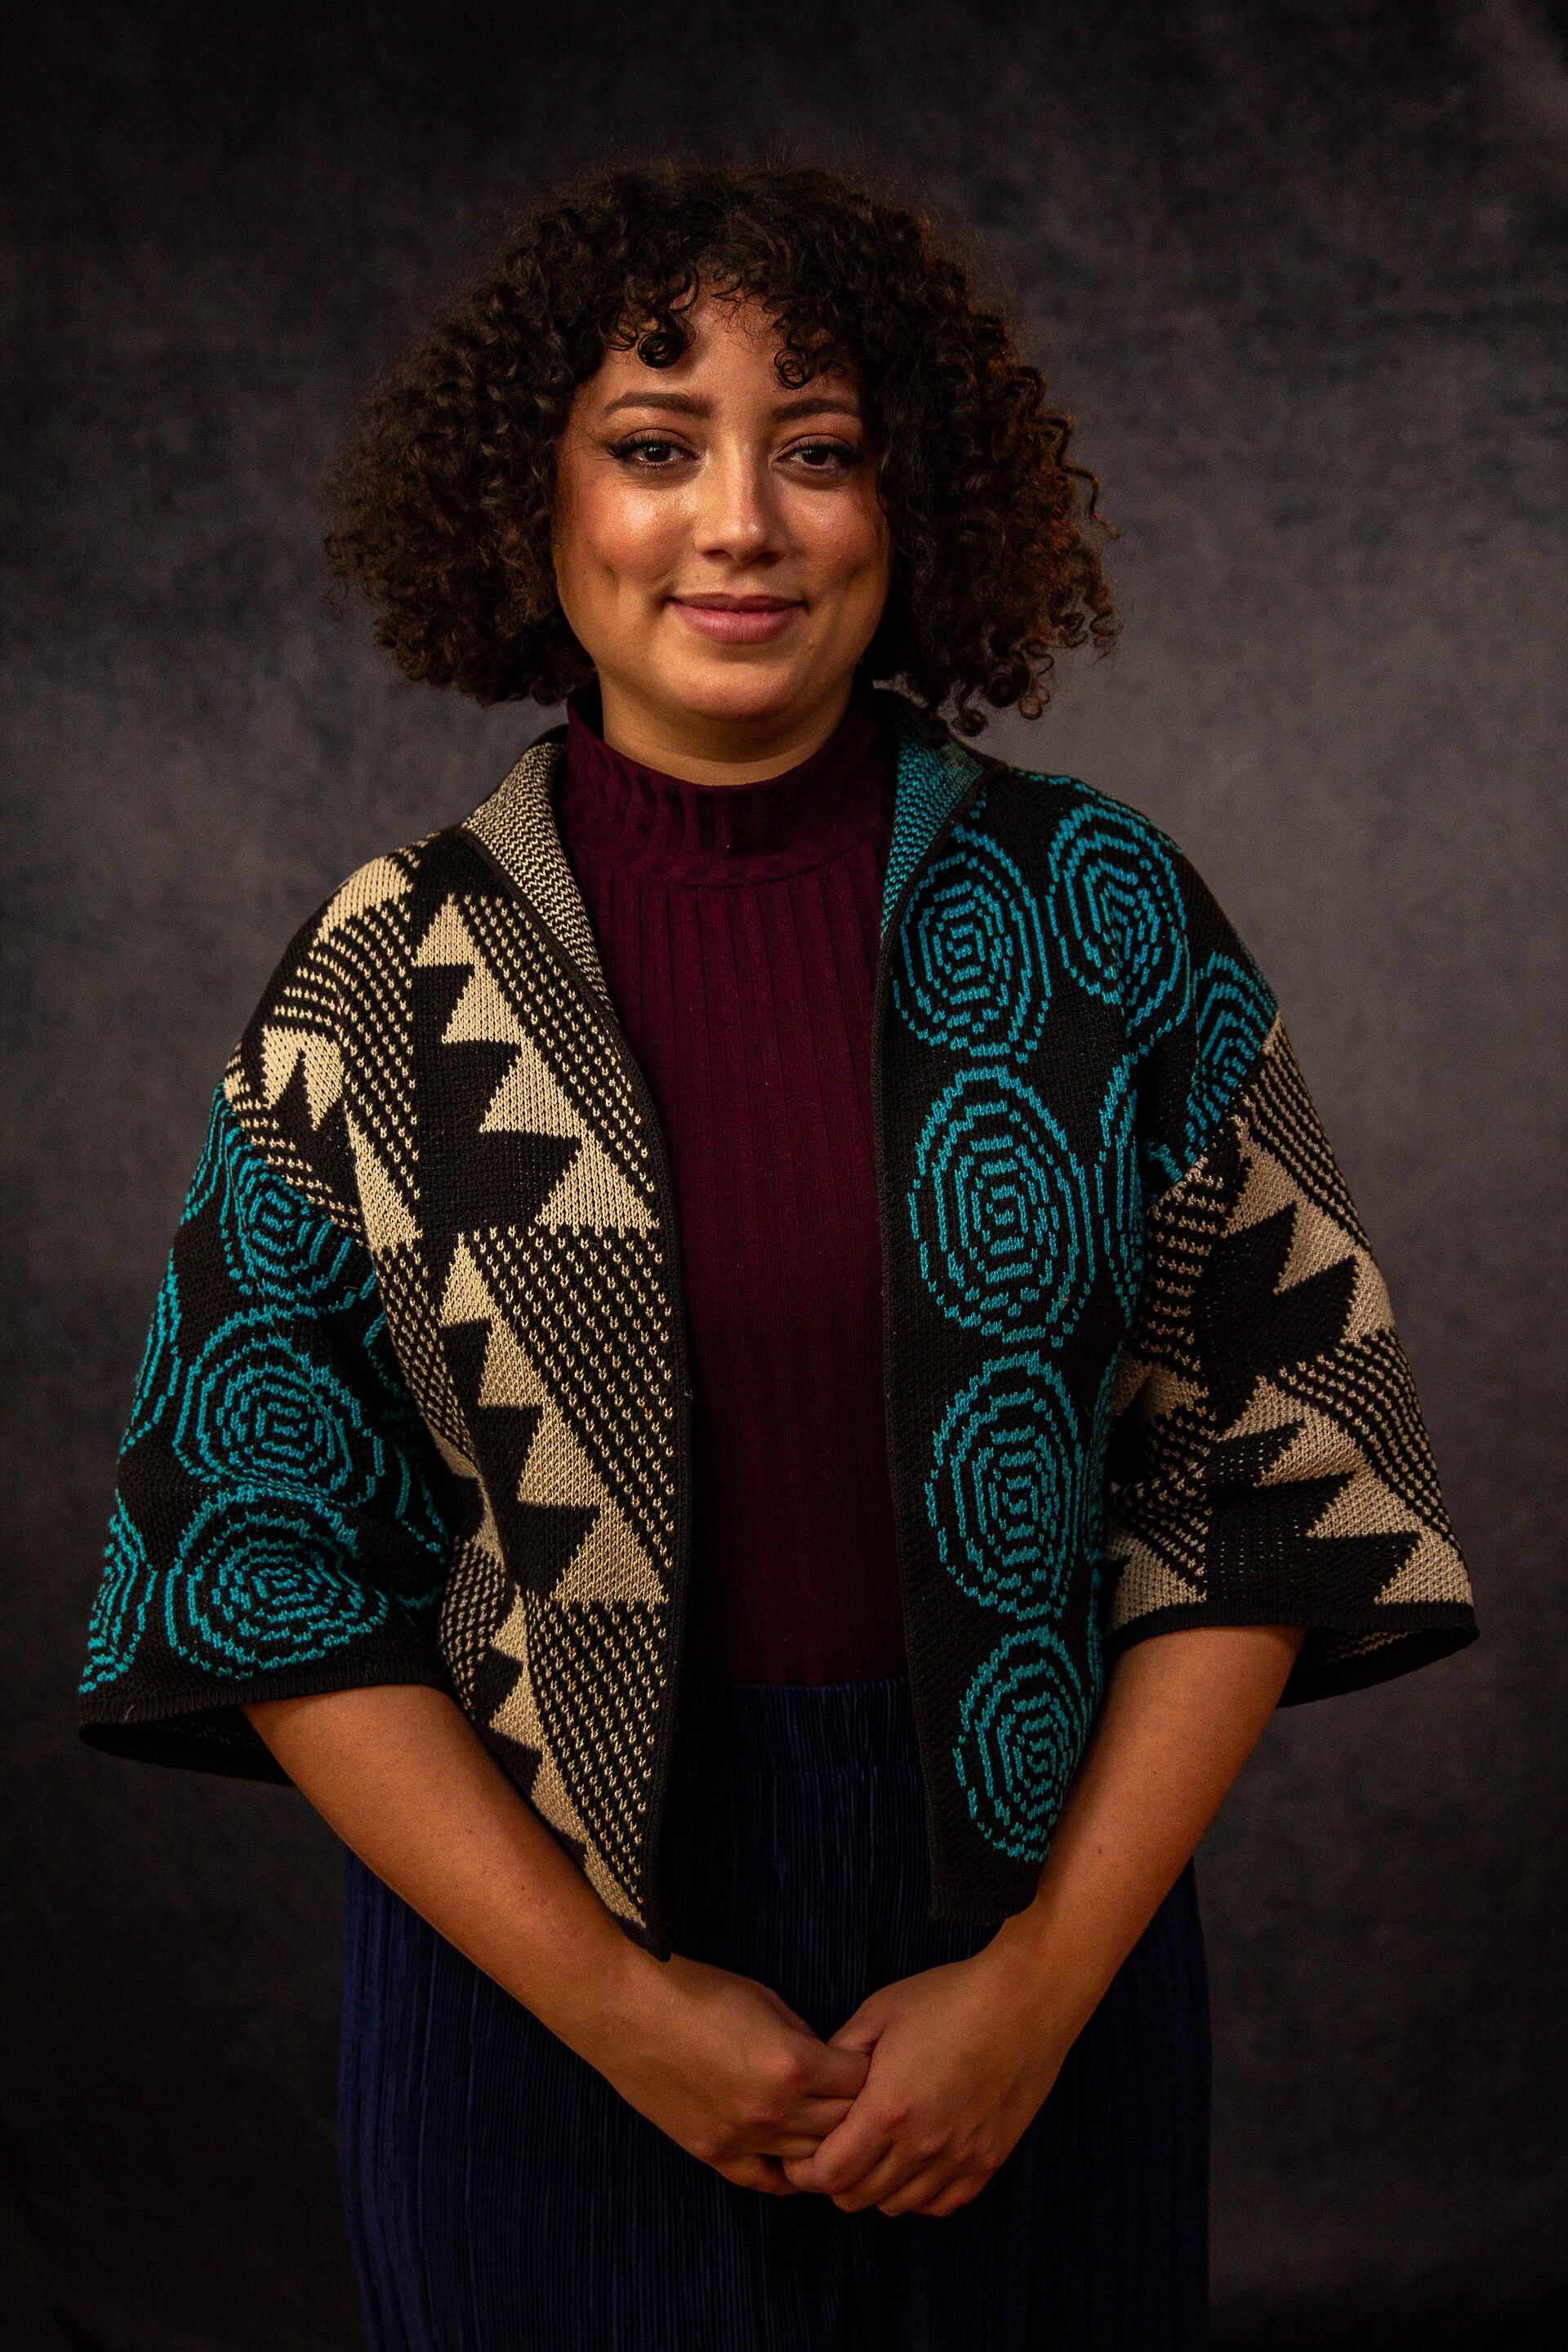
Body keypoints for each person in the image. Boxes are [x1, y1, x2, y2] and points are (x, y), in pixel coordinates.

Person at [79, 164, 1476, 2351]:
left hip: (1035, 1934)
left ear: (909, 506)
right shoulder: (386, 979)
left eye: (815, 450)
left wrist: (1034, 1992)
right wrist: (614, 2006)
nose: (740, 521)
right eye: (655, 448)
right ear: (532, 506)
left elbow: (1267, 1482)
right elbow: (259, 1558)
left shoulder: (1104, 921)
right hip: (524, 1968)